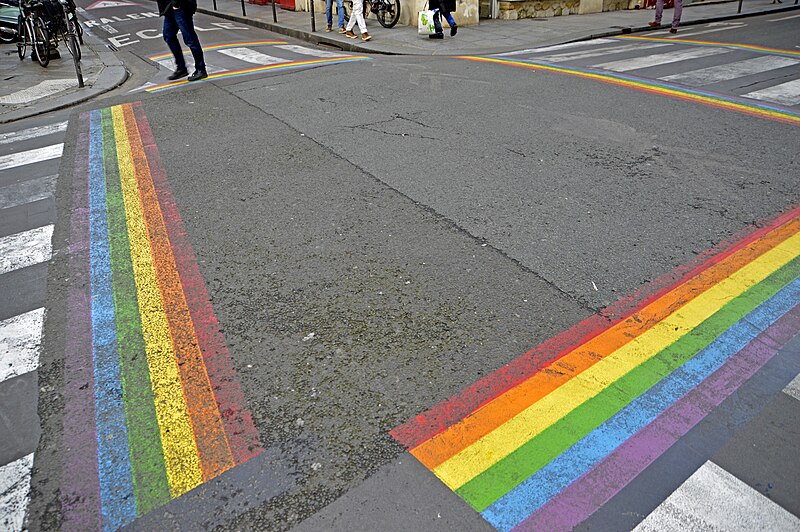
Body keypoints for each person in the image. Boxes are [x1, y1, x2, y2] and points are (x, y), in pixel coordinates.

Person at [157, 0, 207, 81]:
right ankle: (181, 68)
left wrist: (176, 3)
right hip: (169, 8)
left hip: (180, 7)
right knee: (168, 36)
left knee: (190, 39)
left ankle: (201, 69)